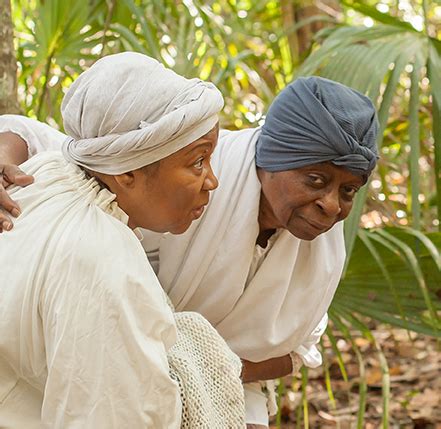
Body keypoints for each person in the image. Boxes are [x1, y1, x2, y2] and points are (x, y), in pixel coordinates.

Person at [0, 76, 378, 428]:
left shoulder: (324, 254)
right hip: (116, 356)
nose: (332, 206)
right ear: (273, 158)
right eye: (316, 181)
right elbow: (61, 146)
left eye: (348, 191)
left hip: (230, 379)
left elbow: (296, 350)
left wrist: (211, 370)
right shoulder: (186, 171)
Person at [0, 52, 245, 428]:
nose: (211, 180)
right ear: (127, 171)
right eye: (197, 162)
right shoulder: (104, 266)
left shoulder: (44, 175)